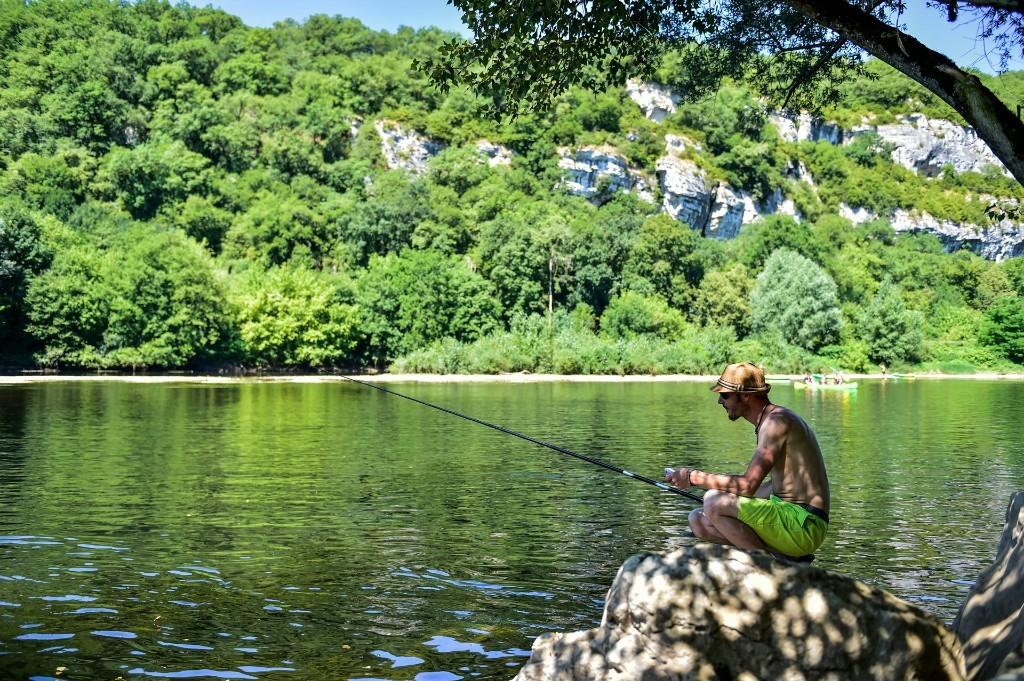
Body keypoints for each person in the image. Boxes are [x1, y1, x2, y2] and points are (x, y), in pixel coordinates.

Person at [666, 362, 830, 561]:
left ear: (745, 395)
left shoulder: (776, 422)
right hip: (794, 520)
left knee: (713, 501)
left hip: (803, 525)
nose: (720, 401)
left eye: (725, 395)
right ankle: (786, 560)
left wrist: (693, 477)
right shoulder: (771, 421)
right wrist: (731, 502)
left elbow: (747, 486)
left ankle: (768, 566)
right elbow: (775, 485)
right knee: (699, 520)